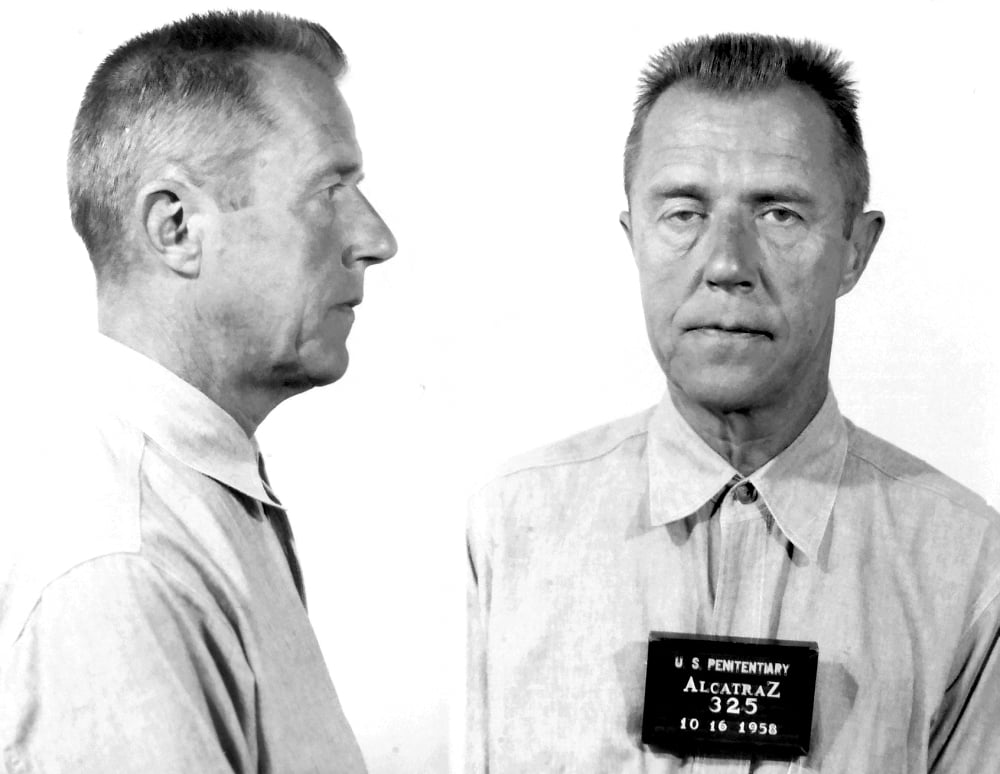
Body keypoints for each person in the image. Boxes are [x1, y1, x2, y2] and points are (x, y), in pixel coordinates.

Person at [466, 33, 1000, 773]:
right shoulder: (507, 530)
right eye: (682, 212)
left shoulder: (971, 564)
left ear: (856, 248)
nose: (726, 264)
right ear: (632, 237)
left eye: (779, 214)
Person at [0, 11, 395, 773]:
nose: (376, 239)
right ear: (176, 227)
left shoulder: (190, 494)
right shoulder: (123, 562)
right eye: (329, 190)